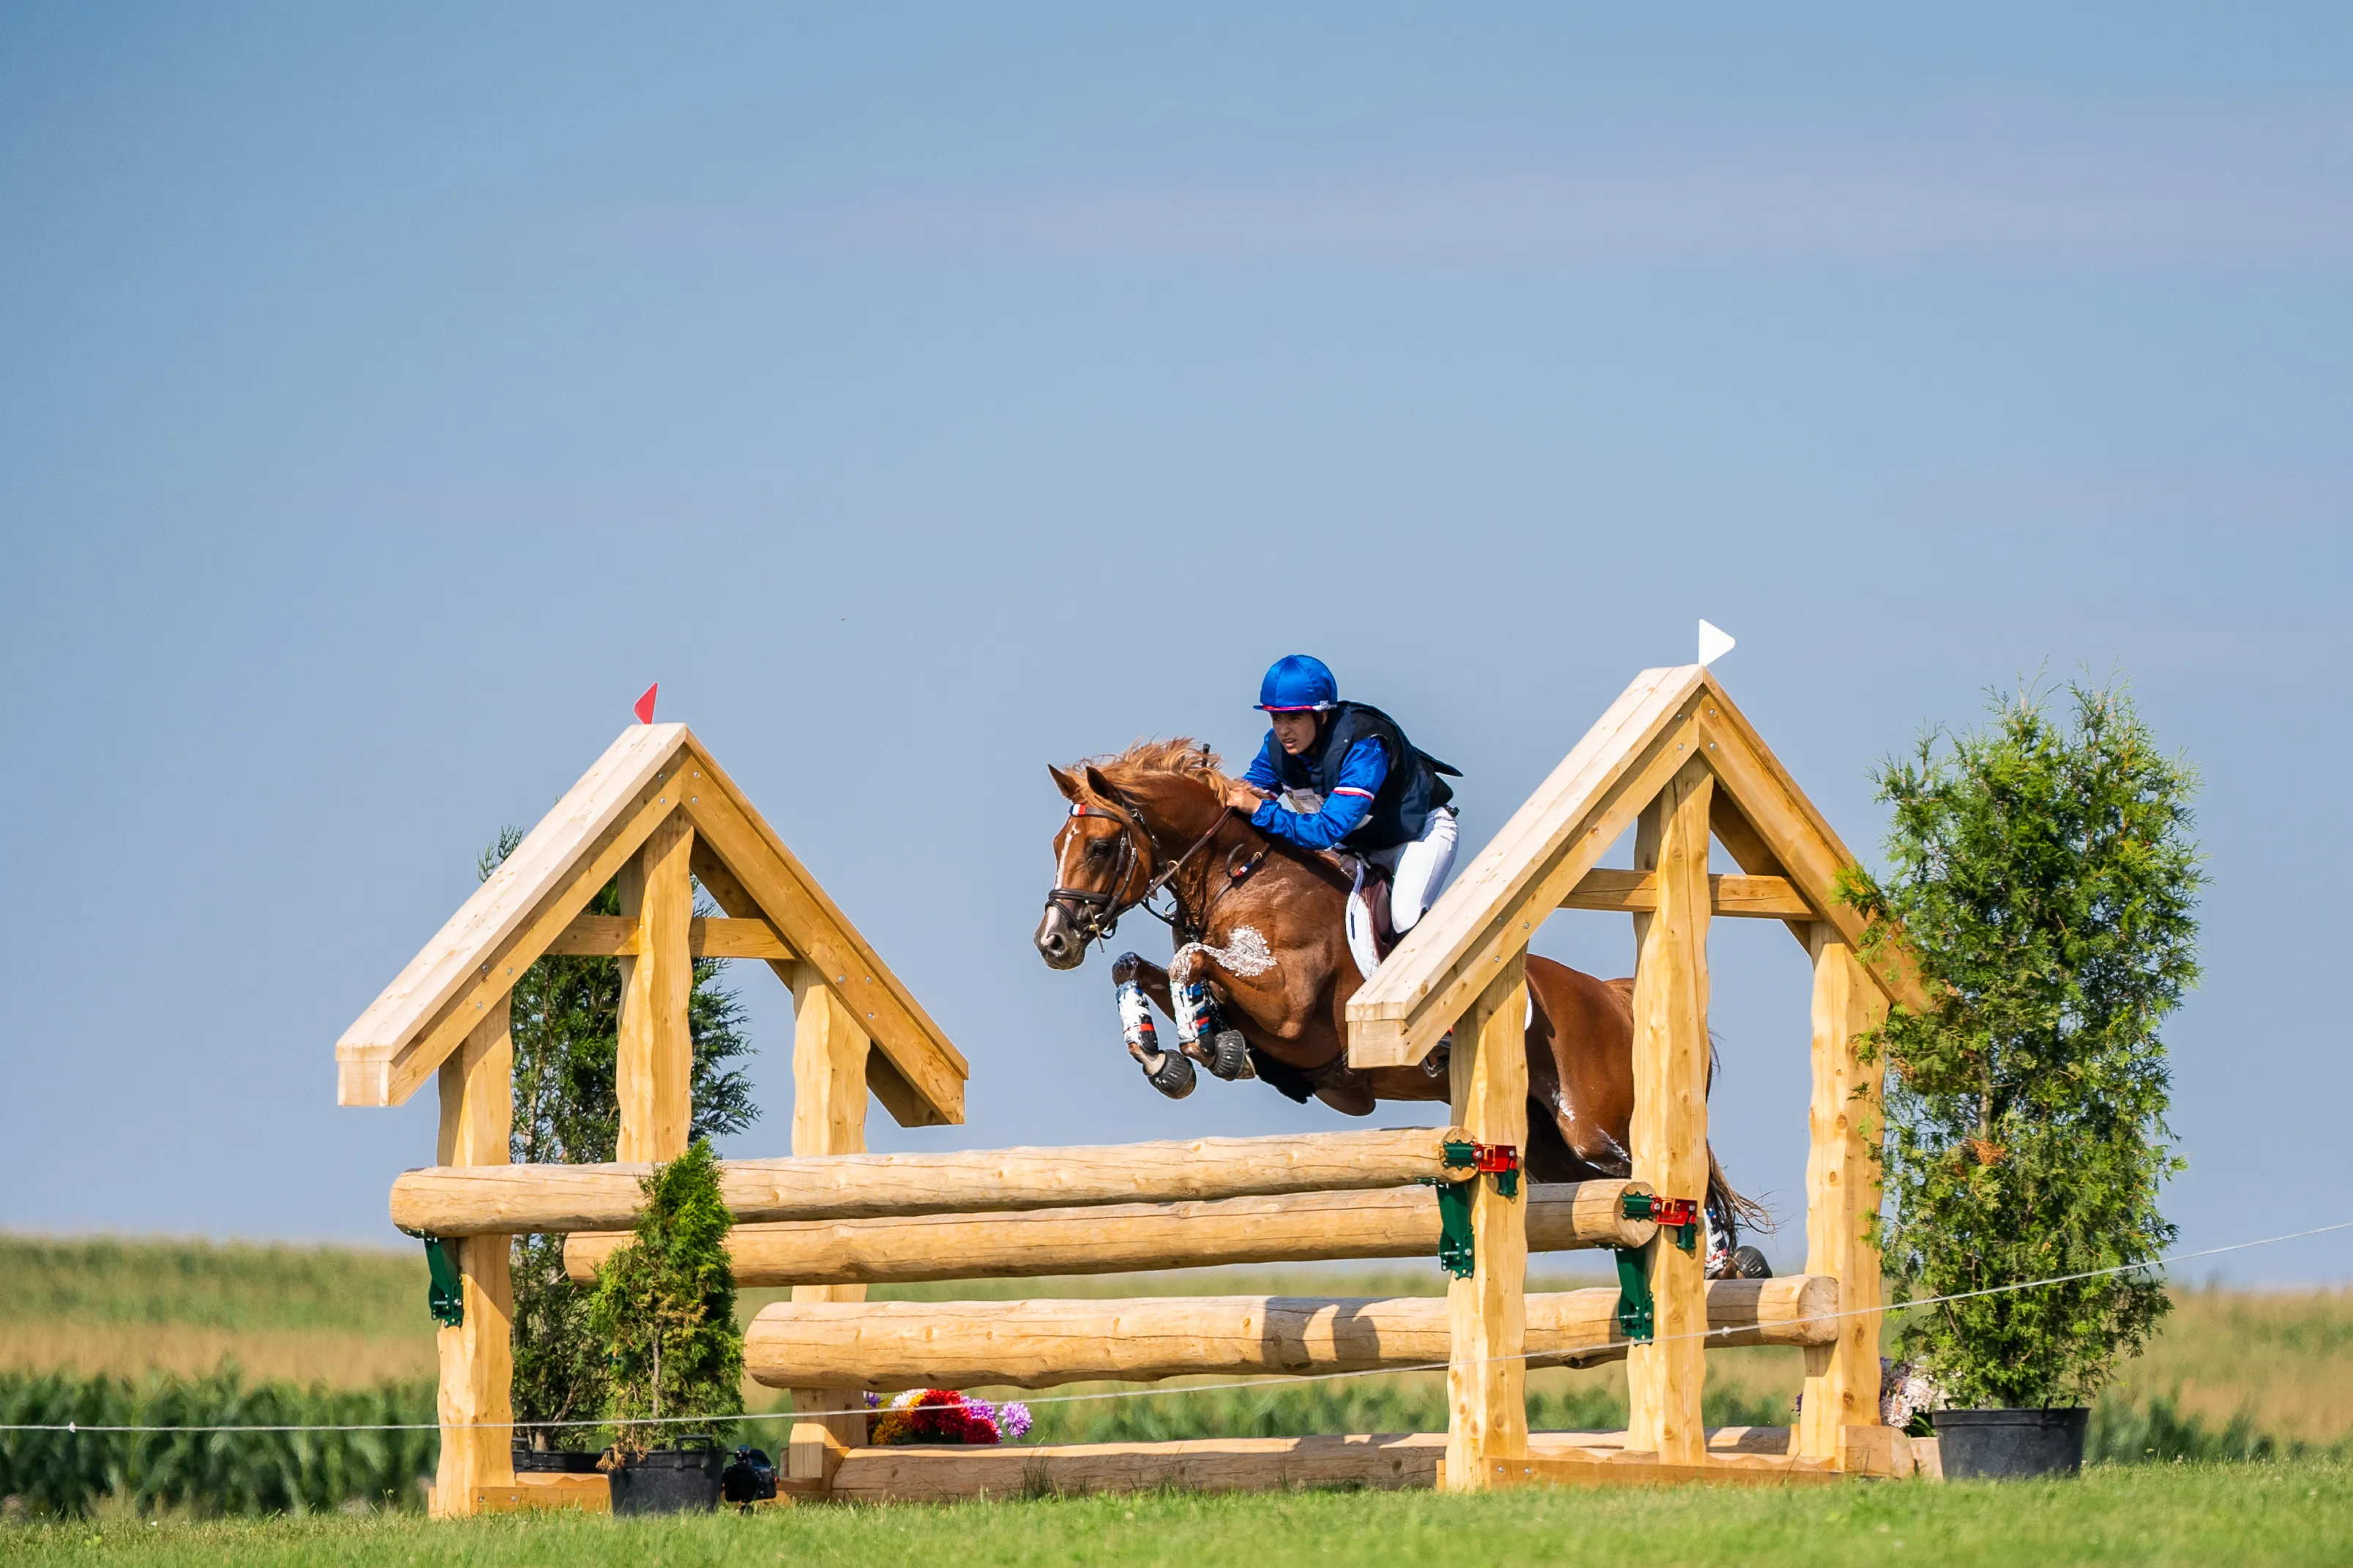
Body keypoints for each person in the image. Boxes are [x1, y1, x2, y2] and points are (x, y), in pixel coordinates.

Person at [1224, 655, 1462, 955]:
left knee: (1404, 917)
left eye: (1294, 718)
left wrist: (1260, 810)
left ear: (1322, 716)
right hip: (1359, 847)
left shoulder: (1364, 745)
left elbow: (1326, 830)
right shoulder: (1276, 748)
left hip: (1418, 835)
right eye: (1276, 718)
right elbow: (1246, 794)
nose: (1283, 731)